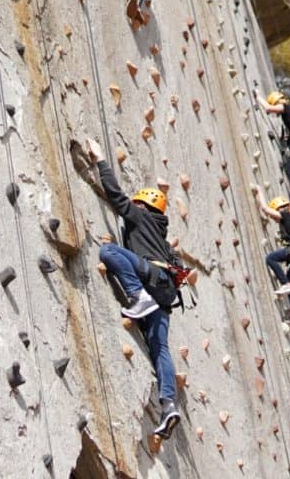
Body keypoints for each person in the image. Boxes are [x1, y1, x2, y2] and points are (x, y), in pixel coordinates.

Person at [86, 138, 182, 440]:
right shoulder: (164, 239)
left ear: (145, 205)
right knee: (160, 349)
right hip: (165, 296)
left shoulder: (140, 216)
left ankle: (136, 297)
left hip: (149, 278)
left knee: (109, 252)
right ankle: (168, 404)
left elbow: (117, 198)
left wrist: (101, 159)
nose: (135, 207)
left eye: (138, 203)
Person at [251, 185, 290, 325]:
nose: (275, 219)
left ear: (278, 208)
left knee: (271, 258)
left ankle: (285, 285)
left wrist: (259, 191)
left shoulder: (285, 215)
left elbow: (265, 209)